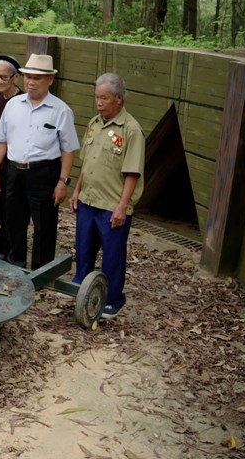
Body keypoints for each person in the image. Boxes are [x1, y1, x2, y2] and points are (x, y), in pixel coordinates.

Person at [0, 54, 81, 270]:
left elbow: (68, 149)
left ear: (50, 80)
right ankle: (15, 265)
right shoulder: (13, 105)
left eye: (37, 78)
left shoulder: (61, 110)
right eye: (28, 77)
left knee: (44, 224)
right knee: (14, 220)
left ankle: (41, 270)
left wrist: (63, 181)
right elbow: (1, 140)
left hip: (44, 172)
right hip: (14, 170)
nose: (31, 82)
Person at [69, 73, 145, 320]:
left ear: (118, 98)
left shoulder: (131, 130)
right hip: (88, 199)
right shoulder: (94, 123)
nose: (99, 103)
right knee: (84, 247)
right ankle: (81, 285)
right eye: (96, 97)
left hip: (112, 204)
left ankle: (112, 299)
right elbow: (87, 161)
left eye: (104, 98)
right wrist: (77, 190)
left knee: (112, 255)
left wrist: (123, 206)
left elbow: (132, 172)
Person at [0, 55, 23, 258]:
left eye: (4, 77)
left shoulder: (22, 99)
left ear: (15, 78)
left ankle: (10, 251)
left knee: (12, 208)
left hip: (14, 162)